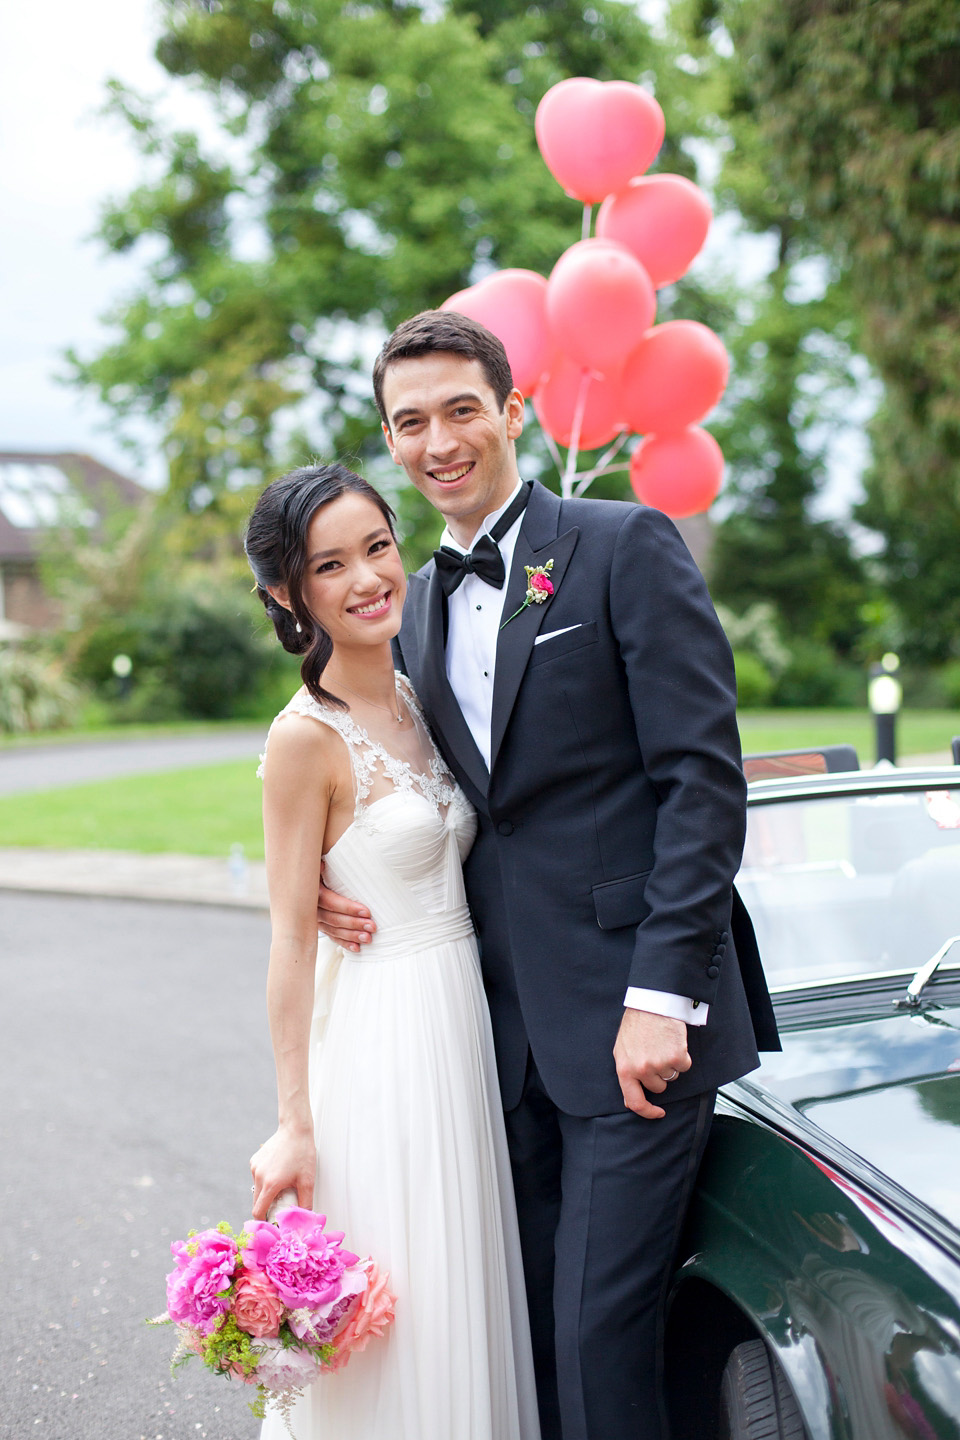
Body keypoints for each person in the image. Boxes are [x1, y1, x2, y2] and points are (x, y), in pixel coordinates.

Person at [315, 311, 781, 1440]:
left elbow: (702, 784)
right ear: (392, 439)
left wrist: (663, 995)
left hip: (636, 1032)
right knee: (516, 1339)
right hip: (491, 1045)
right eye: (410, 422)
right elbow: (414, 788)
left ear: (513, 412)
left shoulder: (624, 545)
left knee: (596, 1342)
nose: (439, 442)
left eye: (461, 409)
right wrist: (335, 877)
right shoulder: (413, 605)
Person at [245, 463, 541, 1440]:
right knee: (402, 1305)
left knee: (466, 1285)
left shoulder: (426, 692)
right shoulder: (304, 740)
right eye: (331, 565)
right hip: (382, 1045)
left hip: (464, 1032)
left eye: (378, 546)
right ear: (290, 594)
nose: (369, 577)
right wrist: (292, 1122)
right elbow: (289, 936)